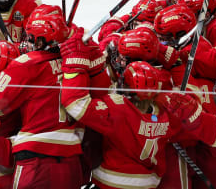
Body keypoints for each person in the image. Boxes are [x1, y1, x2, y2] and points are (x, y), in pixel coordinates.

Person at [0, 4, 84, 189]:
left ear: (38, 39)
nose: (27, 42)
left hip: (36, 163)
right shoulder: (73, 63)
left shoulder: (27, 64)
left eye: (30, 37)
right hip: (72, 163)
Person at [59, 29, 179, 189]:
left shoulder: (118, 107)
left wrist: (75, 65)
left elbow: (75, 104)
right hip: (149, 183)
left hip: (112, 181)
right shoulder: (164, 112)